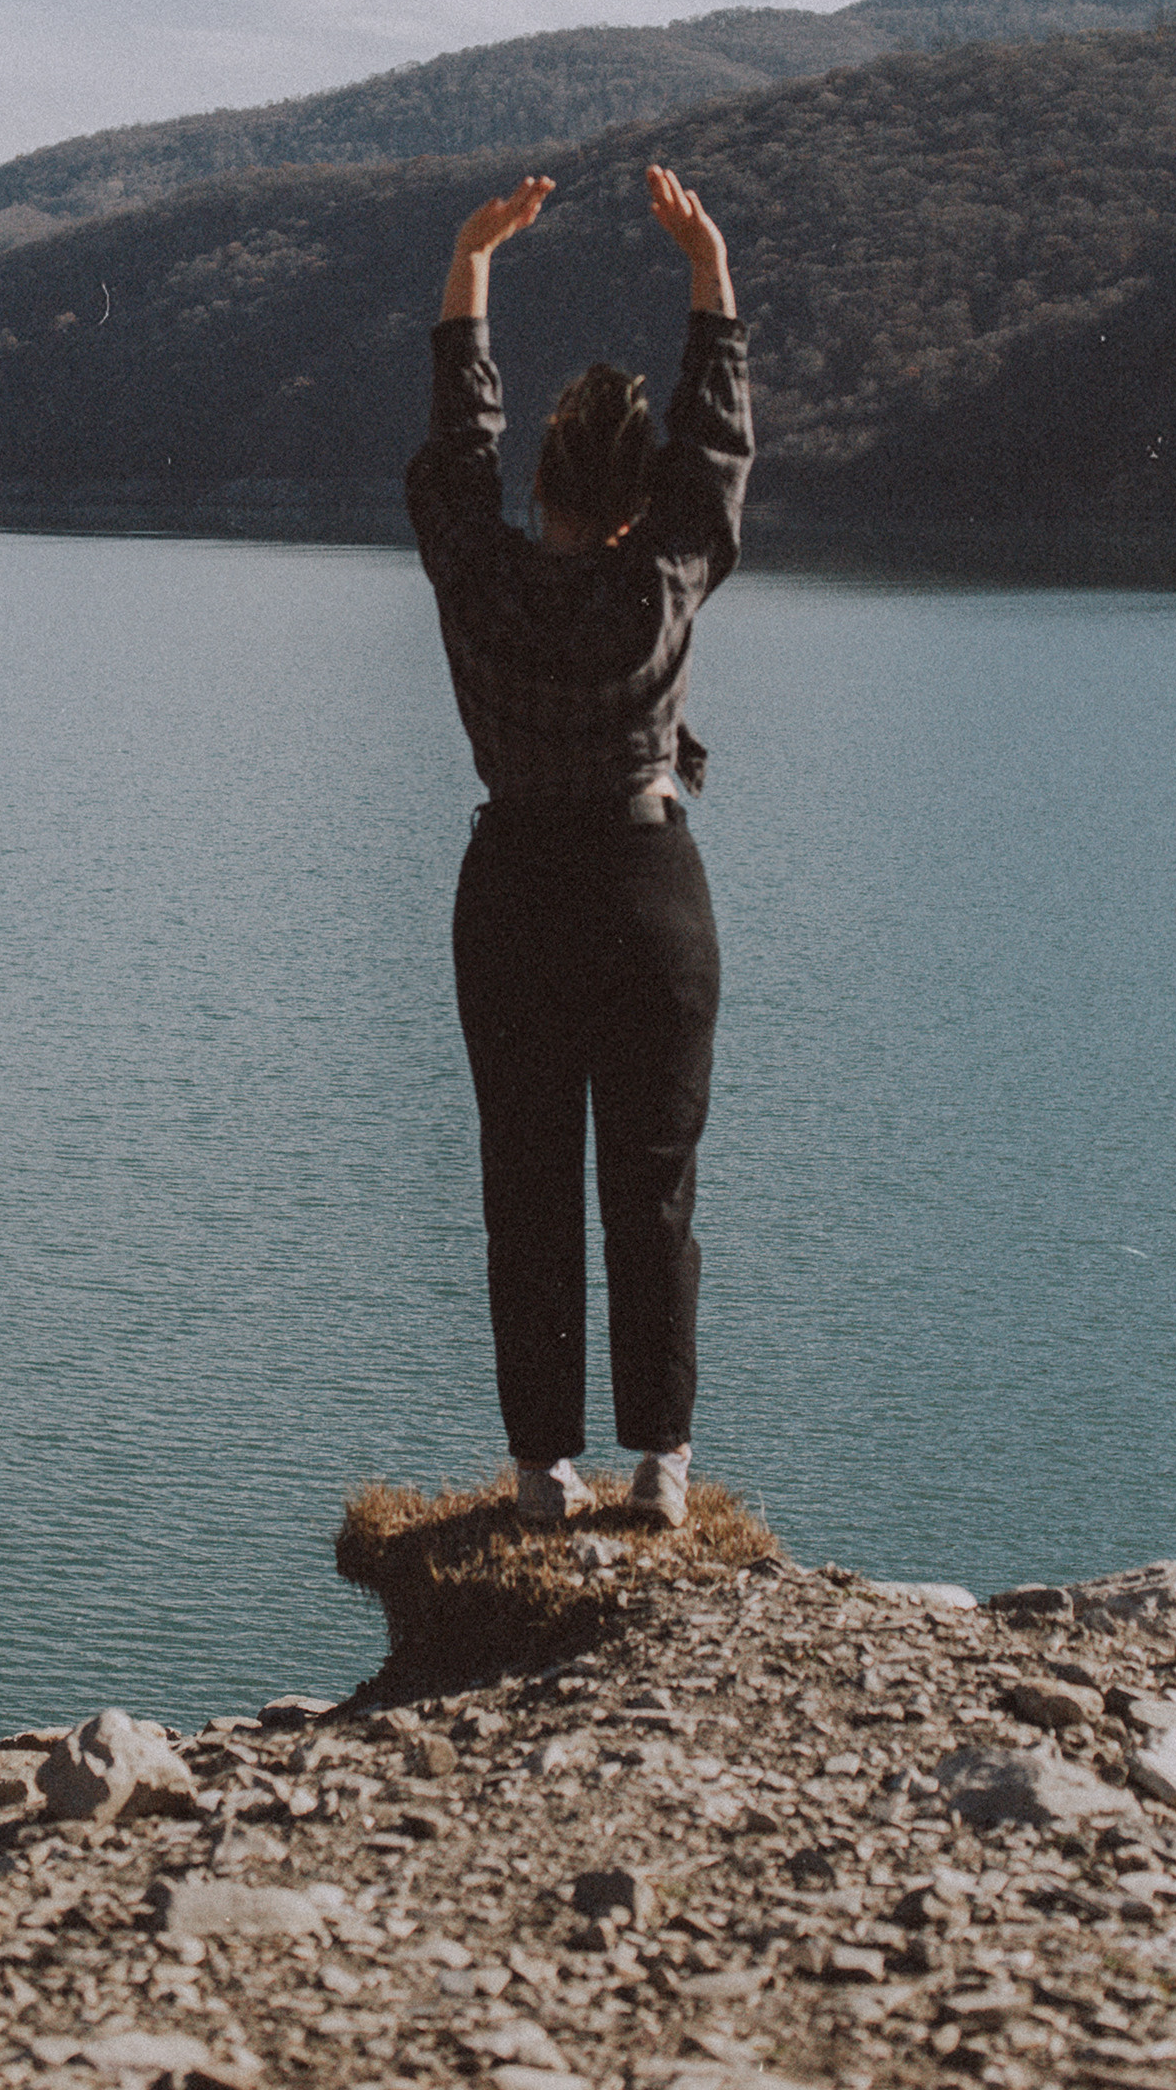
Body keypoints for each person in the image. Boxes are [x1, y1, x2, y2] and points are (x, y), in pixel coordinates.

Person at [405, 163, 753, 1530]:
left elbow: (452, 456)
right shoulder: (664, 579)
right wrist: (706, 271)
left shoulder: (478, 579)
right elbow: (717, 451)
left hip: (513, 896)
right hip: (647, 887)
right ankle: (662, 1462)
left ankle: (545, 1469)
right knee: (652, 1185)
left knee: (528, 1182)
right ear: (637, 499)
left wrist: (472, 269)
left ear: (541, 479)